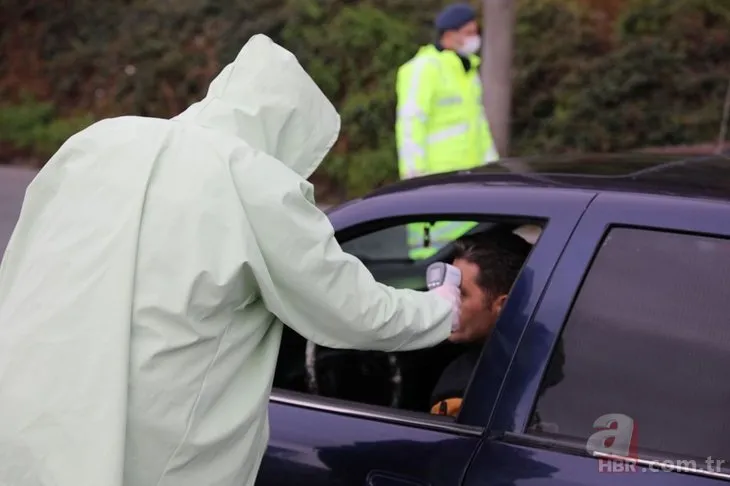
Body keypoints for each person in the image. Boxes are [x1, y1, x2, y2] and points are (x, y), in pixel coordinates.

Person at [0, 35, 462, 486]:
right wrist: (443, 307)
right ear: (289, 128)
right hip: (153, 456)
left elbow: (19, 263)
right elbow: (354, 310)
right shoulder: (253, 183)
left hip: (30, 421)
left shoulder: (98, 142)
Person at [395, 3, 499, 260]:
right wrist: (414, 175)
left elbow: (478, 126)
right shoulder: (424, 68)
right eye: (470, 31)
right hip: (435, 180)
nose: (476, 37)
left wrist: (493, 167)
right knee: (432, 258)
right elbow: (410, 122)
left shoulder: (467, 70)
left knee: (469, 257)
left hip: (471, 178)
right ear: (450, 34)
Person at [430, 229, 531, 417]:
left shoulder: (461, 390)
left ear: (504, 305)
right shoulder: (553, 346)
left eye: (460, 293)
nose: (445, 301)